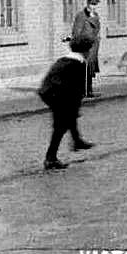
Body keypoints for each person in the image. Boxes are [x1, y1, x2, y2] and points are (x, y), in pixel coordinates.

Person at [37, 35, 95, 170]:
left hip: (48, 92)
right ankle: (50, 158)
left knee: (69, 117)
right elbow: (77, 90)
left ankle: (77, 141)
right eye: (89, 50)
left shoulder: (64, 59)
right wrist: (76, 107)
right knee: (61, 126)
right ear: (85, 51)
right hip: (59, 95)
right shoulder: (79, 64)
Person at [71, 0, 102, 98]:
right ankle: (83, 91)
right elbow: (76, 32)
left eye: (95, 4)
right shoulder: (81, 16)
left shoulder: (95, 16)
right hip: (85, 47)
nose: (94, 6)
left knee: (90, 69)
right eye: (92, 4)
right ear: (88, 3)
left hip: (93, 47)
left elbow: (97, 30)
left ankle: (89, 90)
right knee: (84, 69)